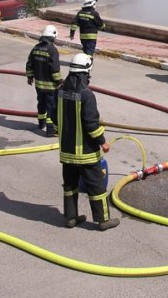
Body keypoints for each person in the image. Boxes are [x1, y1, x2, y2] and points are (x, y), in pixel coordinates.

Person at [56, 53, 119, 231]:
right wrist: (103, 142)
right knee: (96, 186)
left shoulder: (60, 90)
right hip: (85, 153)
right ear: (86, 73)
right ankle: (103, 220)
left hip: (66, 151)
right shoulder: (86, 95)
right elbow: (91, 124)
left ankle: (70, 218)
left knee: (70, 185)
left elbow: (54, 115)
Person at [26, 24, 62, 136]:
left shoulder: (35, 48)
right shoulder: (52, 50)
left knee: (41, 104)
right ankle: (51, 131)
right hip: (51, 86)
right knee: (51, 107)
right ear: (53, 37)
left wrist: (29, 77)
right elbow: (54, 69)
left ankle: (41, 124)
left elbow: (29, 64)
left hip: (39, 85)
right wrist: (59, 81)